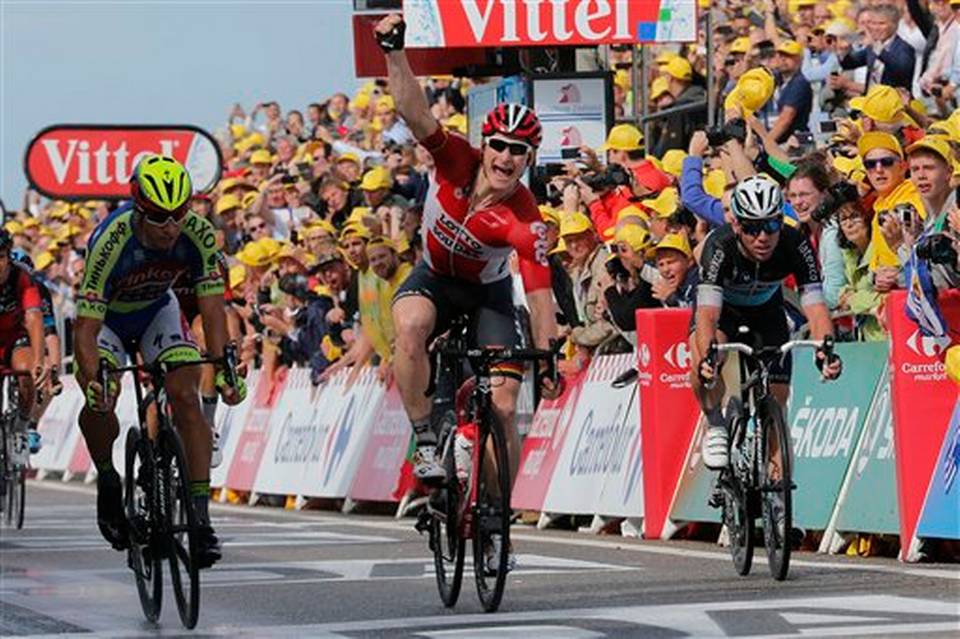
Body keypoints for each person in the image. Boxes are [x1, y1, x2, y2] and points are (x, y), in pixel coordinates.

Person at [375, 14, 559, 575]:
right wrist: (393, 51)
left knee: (503, 405)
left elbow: (539, 289)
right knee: (408, 327)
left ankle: (497, 514)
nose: (505, 158)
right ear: (486, 144)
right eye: (500, 146)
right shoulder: (455, 158)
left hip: (487, 296)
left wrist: (548, 355)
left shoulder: (524, 214)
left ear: (530, 160)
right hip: (433, 277)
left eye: (519, 152)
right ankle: (427, 435)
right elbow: (412, 110)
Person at [73, 155, 245, 567]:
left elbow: (212, 309)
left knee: (186, 396)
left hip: (156, 310)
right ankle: (109, 479)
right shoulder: (111, 240)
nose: (171, 226)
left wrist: (224, 366)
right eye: (159, 216)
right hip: (107, 321)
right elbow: (84, 330)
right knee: (102, 398)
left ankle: (201, 521)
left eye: (179, 213)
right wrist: (93, 378)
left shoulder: (199, 234)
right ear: (138, 207)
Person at [689, 175, 841, 470]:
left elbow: (816, 306)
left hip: (766, 311)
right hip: (724, 311)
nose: (763, 237)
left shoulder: (795, 243)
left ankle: (778, 497)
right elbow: (707, 314)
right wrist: (709, 356)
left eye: (771, 225)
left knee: (778, 400)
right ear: (736, 225)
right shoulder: (720, 246)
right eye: (752, 228)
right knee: (705, 358)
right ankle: (715, 423)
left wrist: (825, 349)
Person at [0, 230, 46, 464]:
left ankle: (21, 426)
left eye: (0, 257)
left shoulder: (21, 278)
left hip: (14, 339)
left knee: (27, 372)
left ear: (8, 257)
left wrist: (39, 360)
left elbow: (34, 319)